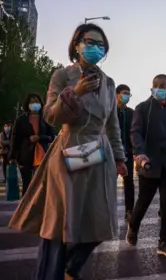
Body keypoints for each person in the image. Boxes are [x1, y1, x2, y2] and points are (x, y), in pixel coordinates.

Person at [9, 23, 127, 280]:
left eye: (100, 44)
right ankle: (50, 274)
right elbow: (51, 115)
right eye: (89, 41)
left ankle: (70, 268)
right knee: (62, 224)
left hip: (99, 154)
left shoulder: (108, 83)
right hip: (69, 152)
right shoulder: (62, 76)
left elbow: (112, 124)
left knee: (101, 222)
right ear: (77, 45)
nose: (95, 47)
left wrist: (120, 157)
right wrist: (76, 92)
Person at [126, 74, 166, 258]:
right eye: (156, 85)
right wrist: (140, 152)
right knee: (143, 202)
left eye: (163, 86)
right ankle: (133, 226)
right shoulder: (142, 108)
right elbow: (135, 132)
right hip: (149, 165)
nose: (159, 88)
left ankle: (164, 242)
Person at [8, 94, 56, 196]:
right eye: (32, 101)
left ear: (41, 103)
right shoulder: (21, 120)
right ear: (27, 104)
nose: (34, 104)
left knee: (41, 185)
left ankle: (39, 209)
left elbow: (52, 136)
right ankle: (25, 209)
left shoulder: (46, 119)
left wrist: (40, 137)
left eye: (36, 101)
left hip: (42, 156)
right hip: (25, 156)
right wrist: (12, 156)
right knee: (27, 186)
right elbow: (15, 139)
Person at [116, 84, 135, 221]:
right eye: (124, 93)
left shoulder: (131, 113)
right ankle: (107, 211)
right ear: (117, 95)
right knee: (108, 183)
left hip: (127, 153)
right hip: (111, 152)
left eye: (128, 94)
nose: (126, 96)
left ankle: (130, 210)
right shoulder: (110, 112)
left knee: (129, 182)